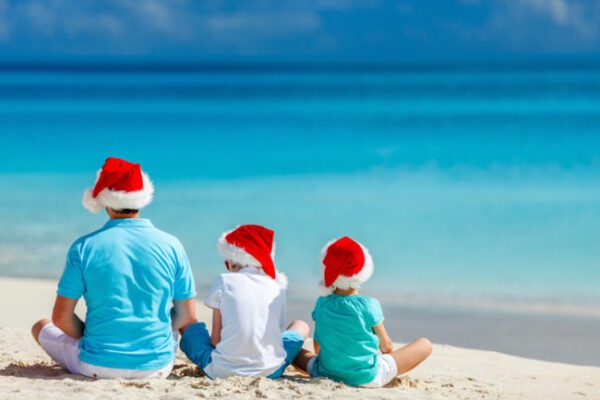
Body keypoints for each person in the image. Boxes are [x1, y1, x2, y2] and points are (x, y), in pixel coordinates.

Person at [31, 157, 197, 379]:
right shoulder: (172, 245)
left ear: (105, 201)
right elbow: (186, 315)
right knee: (170, 319)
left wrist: (93, 337)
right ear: (142, 198)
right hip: (156, 368)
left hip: (96, 366)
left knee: (41, 326)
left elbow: (61, 318)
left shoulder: (83, 247)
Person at [294, 236, 432, 388]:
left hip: (326, 371)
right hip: (366, 376)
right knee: (425, 344)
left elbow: (318, 345)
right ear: (363, 271)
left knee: (293, 349)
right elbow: (387, 347)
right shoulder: (369, 305)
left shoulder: (321, 304)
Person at [179, 224, 308, 379]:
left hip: (223, 371)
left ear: (233, 262)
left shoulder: (225, 281)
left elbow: (215, 340)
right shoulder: (276, 287)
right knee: (301, 325)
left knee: (188, 323)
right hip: (271, 370)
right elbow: (277, 335)